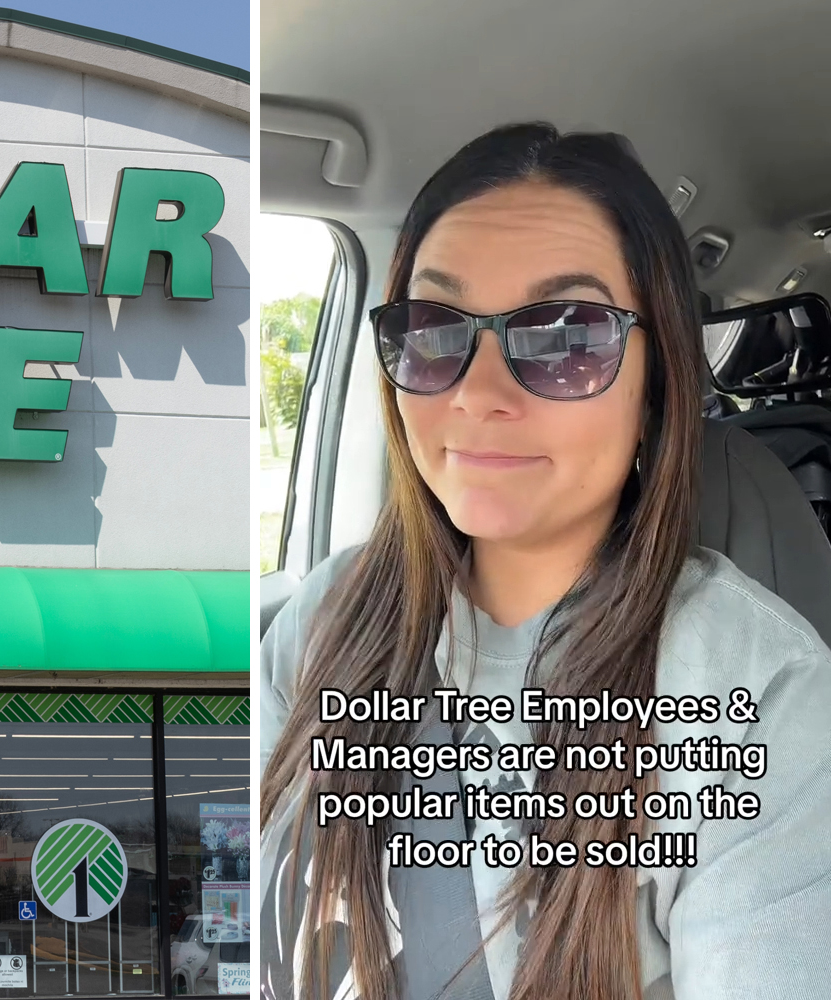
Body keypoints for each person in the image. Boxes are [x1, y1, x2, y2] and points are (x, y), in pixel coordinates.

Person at [258, 123, 831, 1000]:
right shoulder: (321, 621)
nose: (479, 396)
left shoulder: (762, 696)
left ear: (658, 384)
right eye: (435, 328)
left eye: (568, 338)